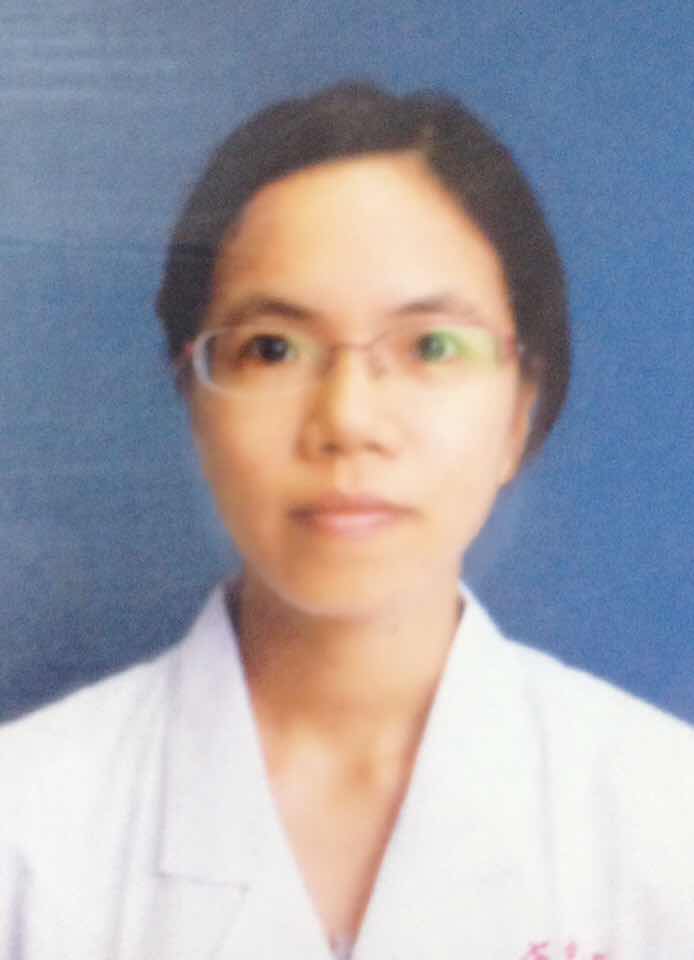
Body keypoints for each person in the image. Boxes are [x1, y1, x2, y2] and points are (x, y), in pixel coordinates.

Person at [1, 82, 693, 960]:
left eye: (433, 346)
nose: (348, 420)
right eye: (273, 349)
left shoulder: (665, 823)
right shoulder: (26, 834)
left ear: (521, 410)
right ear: (193, 397)